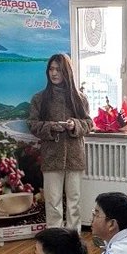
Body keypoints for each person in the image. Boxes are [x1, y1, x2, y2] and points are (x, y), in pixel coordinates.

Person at [28, 53, 92, 230]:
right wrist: (51, 126)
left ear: (67, 72)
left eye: (58, 69)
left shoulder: (79, 98)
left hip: (74, 156)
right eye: (51, 69)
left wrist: (74, 124)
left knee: (74, 202)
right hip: (51, 156)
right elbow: (32, 125)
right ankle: (54, 239)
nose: (54, 73)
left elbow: (89, 123)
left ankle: (73, 238)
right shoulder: (39, 98)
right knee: (53, 202)